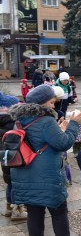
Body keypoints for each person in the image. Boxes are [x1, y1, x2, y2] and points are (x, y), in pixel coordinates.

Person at [8, 84, 81, 236]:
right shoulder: (46, 121)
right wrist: (74, 124)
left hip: (25, 176)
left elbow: (40, 139)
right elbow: (64, 143)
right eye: (51, 102)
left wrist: (58, 130)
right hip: (47, 178)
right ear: (41, 103)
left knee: (35, 215)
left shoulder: (20, 120)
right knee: (59, 213)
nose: (54, 105)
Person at [0, 93, 27, 221]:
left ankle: (8, 208)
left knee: (10, 183)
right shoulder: (13, 123)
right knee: (17, 184)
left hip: (4, 158)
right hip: (15, 157)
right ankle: (18, 210)